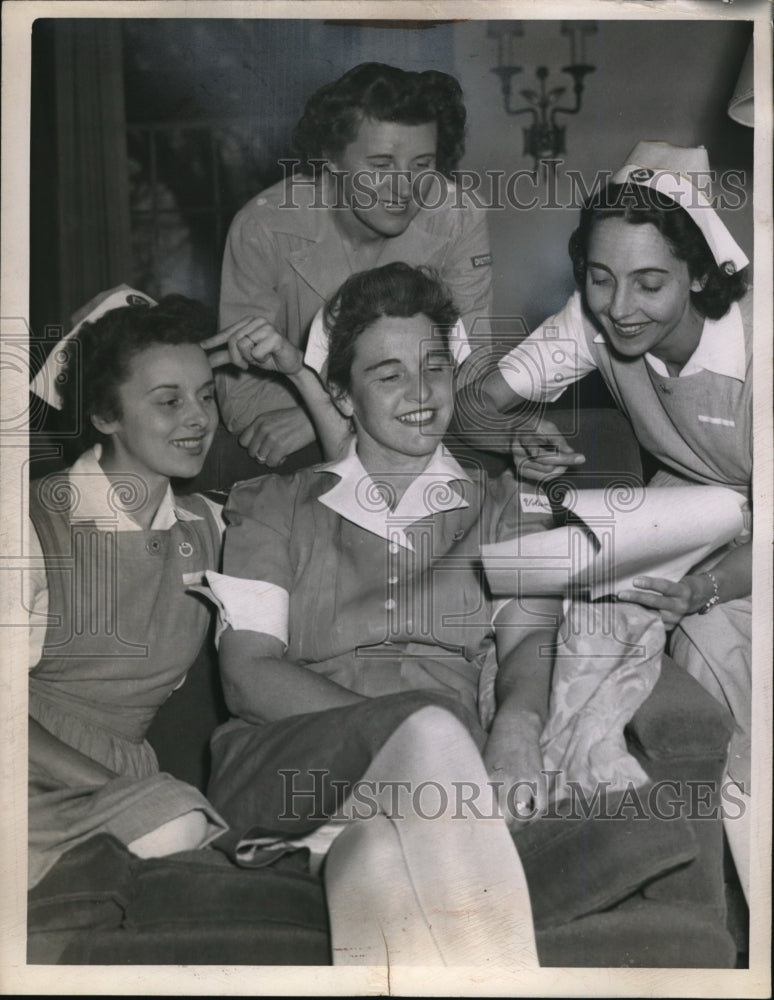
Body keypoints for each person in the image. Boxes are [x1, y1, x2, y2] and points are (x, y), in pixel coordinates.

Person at [202, 262, 559, 966]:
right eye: (388, 375)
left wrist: (518, 723)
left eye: (434, 367)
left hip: (426, 802)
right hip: (292, 765)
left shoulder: (506, 507)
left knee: (377, 871)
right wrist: (408, 733)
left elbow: (531, 638)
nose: (422, 394)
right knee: (429, 728)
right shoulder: (271, 505)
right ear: (340, 391)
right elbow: (247, 675)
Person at [460, 140, 754, 897]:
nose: (620, 307)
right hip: (690, 522)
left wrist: (709, 590)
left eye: (650, 282)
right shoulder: (591, 325)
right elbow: (472, 408)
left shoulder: (762, 348)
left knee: (724, 665)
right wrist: (514, 434)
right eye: (600, 277)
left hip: (747, 556)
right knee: (558, 614)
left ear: (698, 272)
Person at [27, 289, 229, 889]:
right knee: (177, 822)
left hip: (126, 784)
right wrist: (116, 788)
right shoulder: (30, 521)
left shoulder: (209, 524)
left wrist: (296, 374)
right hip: (30, 765)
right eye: (169, 401)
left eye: (206, 395)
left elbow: (335, 508)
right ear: (105, 416)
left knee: (179, 822)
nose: (198, 418)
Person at [213, 61, 492, 474]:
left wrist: (323, 415)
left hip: (411, 435)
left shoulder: (458, 217)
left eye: (422, 165)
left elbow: (473, 370)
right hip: (297, 458)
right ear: (331, 158)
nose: (404, 189)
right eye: (380, 166)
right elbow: (241, 394)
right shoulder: (262, 226)